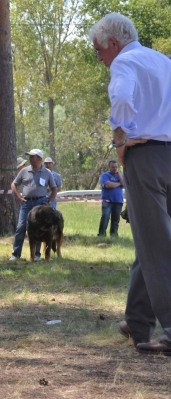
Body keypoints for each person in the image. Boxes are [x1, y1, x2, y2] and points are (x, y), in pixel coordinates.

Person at [91, 13, 171, 355]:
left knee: (157, 245)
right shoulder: (163, 61)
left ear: (113, 43)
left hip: (146, 158)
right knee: (148, 239)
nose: (99, 57)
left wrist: (120, 137)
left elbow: (122, 99)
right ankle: (137, 321)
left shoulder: (124, 63)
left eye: (98, 49)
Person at [9, 149, 57, 262]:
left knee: (39, 228)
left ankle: (36, 254)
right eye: (29, 156)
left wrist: (49, 202)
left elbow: (54, 188)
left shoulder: (47, 173)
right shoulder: (24, 171)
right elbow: (13, 184)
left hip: (40, 204)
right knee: (21, 227)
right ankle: (16, 254)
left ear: (39, 159)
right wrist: (19, 197)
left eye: (32, 156)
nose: (30, 159)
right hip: (26, 203)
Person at [97, 160, 124, 237]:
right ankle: (102, 234)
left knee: (116, 220)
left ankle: (114, 235)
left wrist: (119, 176)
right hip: (107, 201)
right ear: (109, 167)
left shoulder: (120, 176)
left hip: (118, 201)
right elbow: (108, 185)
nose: (114, 169)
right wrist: (119, 183)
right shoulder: (105, 175)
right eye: (112, 167)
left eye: (116, 167)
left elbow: (124, 184)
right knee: (105, 217)